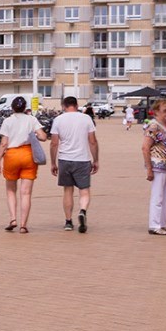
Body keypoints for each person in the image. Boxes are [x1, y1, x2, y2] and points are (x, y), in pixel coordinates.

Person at [0, 96, 48, 233]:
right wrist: (33, 136)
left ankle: (13, 219)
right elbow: (43, 137)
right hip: (28, 155)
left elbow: (4, 143)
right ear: (25, 108)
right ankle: (23, 225)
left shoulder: (7, 121)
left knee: (11, 190)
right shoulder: (31, 119)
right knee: (26, 193)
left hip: (11, 156)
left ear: (12, 108)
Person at [49, 96, 99, 233]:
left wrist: (53, 162)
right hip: (82, 159)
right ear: (76, 105)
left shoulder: (58, 120)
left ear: (64, 106)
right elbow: (92, 141)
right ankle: (82, 211)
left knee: (68, 190)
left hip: (65, 159)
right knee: (84, 190)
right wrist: (96, 160)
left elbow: (54, 143)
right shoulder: (86, 119)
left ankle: (68, 221)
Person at [142, 114, 166, 236]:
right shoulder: (153, 126)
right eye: (165, 110)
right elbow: (145, 147)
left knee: (165, 197)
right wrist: (149, 168)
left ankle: (162, 224)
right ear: (157, 111)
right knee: (158, 196)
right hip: (158, 165)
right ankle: (154, 225)